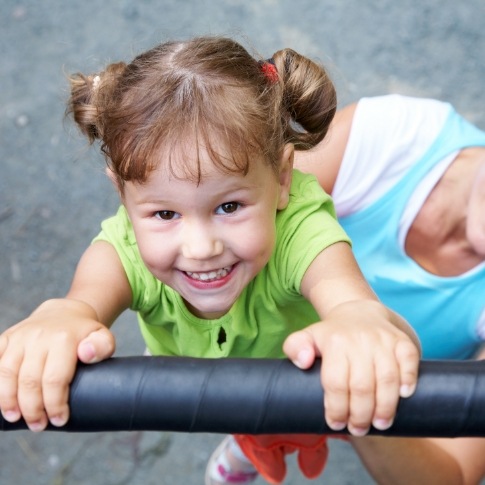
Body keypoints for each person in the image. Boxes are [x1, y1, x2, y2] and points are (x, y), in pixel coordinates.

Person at [0, 38, 420, 485]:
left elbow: (349, 300)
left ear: (281, 178)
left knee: (335, 413)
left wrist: (357, 320)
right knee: (245, 427)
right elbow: (79, 304)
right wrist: (60, 318)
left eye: (229, 207)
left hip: (299, 384)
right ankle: (242, 448)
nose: (200, 248)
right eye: (165, 214)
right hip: (209, 370)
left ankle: (246, 450)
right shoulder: (121, 248)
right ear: (122, 195)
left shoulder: (300, 231)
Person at [293, 94, 485, 484]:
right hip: (255, 337)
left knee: (262, 414)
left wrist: (358, 396)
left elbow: (456, 473)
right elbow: (232, 203)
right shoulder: (395, 135)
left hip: (353, 404)